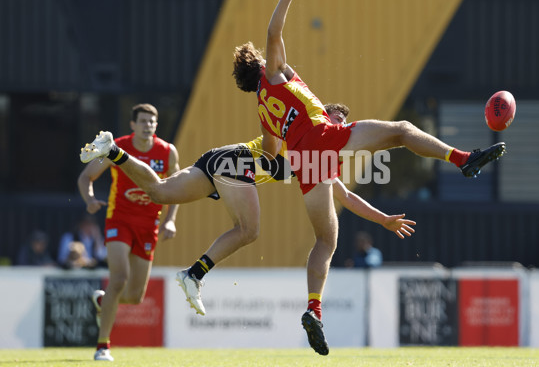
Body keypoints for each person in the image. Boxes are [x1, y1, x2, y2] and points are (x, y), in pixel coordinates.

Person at [231, 0, 507, 355]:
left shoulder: (264, 113)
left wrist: (383, 220)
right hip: (323, 138)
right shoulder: (274, 74)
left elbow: (275, 157)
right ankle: (463, 159)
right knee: (402, 129)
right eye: (266, 58)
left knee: (326, 240)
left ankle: (314, 308)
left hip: (305, 164)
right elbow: (274, 34)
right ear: (260, 66)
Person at [79, 104, 416, 346]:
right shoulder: (307, 137)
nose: (340, 127)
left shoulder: (322, 156)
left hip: (219, 158)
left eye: (344, 123)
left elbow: (344, 196)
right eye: (335, 120)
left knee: (159, 192)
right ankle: (193, 274)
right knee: (250, 230)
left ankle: (113, 152)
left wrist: (384, 219)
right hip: (237, 164)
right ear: (322, 117)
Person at [77, 103, 180, 362]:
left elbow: (176, 188)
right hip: (119, 221)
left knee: (134, 297)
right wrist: (89, 199)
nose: (148, 125)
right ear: (132, 124)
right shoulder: (115, 147)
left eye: (152, 121)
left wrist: (170, 221)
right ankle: (103, 346)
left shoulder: (167, 152)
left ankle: (105, 302)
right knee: (120, 278)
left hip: (148, 227)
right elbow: (85, 177)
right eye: (143, 121)